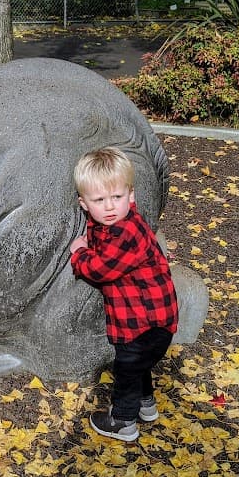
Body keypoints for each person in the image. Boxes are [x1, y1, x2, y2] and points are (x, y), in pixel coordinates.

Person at [69, 147, 178, 442]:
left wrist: (79, 254)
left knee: (127, 369)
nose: (109, 207)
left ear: (131, 196)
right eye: (99, 200)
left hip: (146, 323)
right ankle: (147, 405)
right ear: (84, 203)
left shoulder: (127, 232)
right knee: (137, 364)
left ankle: (123, 422)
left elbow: (100, 269)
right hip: (143, 321)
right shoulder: (109, 225)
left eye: (116, 197)